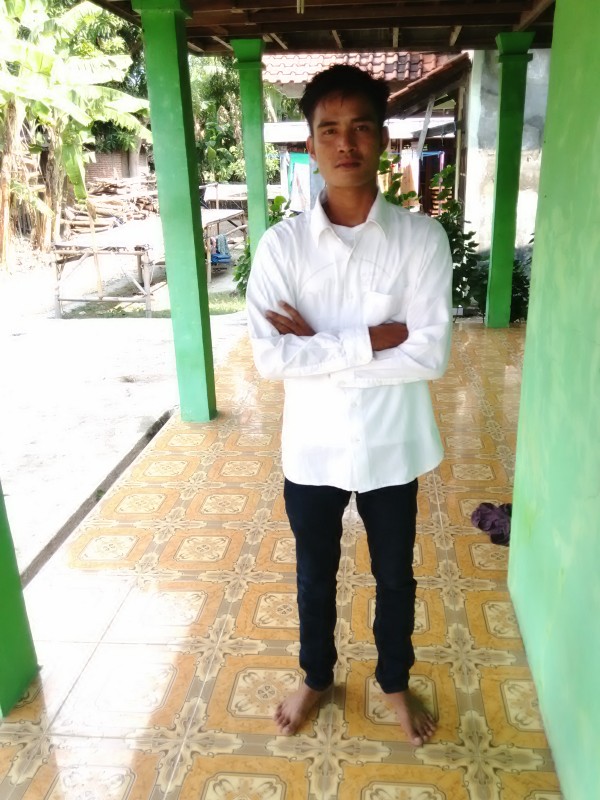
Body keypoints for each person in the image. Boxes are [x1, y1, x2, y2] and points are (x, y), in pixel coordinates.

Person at [246, 65, 453, 745]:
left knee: (396, 575)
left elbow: (429, 355)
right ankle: (315, 675)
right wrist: (371, 341)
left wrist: (319, 346)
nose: (346, 143)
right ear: (310, 144)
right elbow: (270, 358)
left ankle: (394, 681)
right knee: (314, 574)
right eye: (329, 129)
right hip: (312, 448)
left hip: (393, 444)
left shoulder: (422, 241)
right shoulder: (281, 249)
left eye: (360, 127)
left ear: (382, 140)